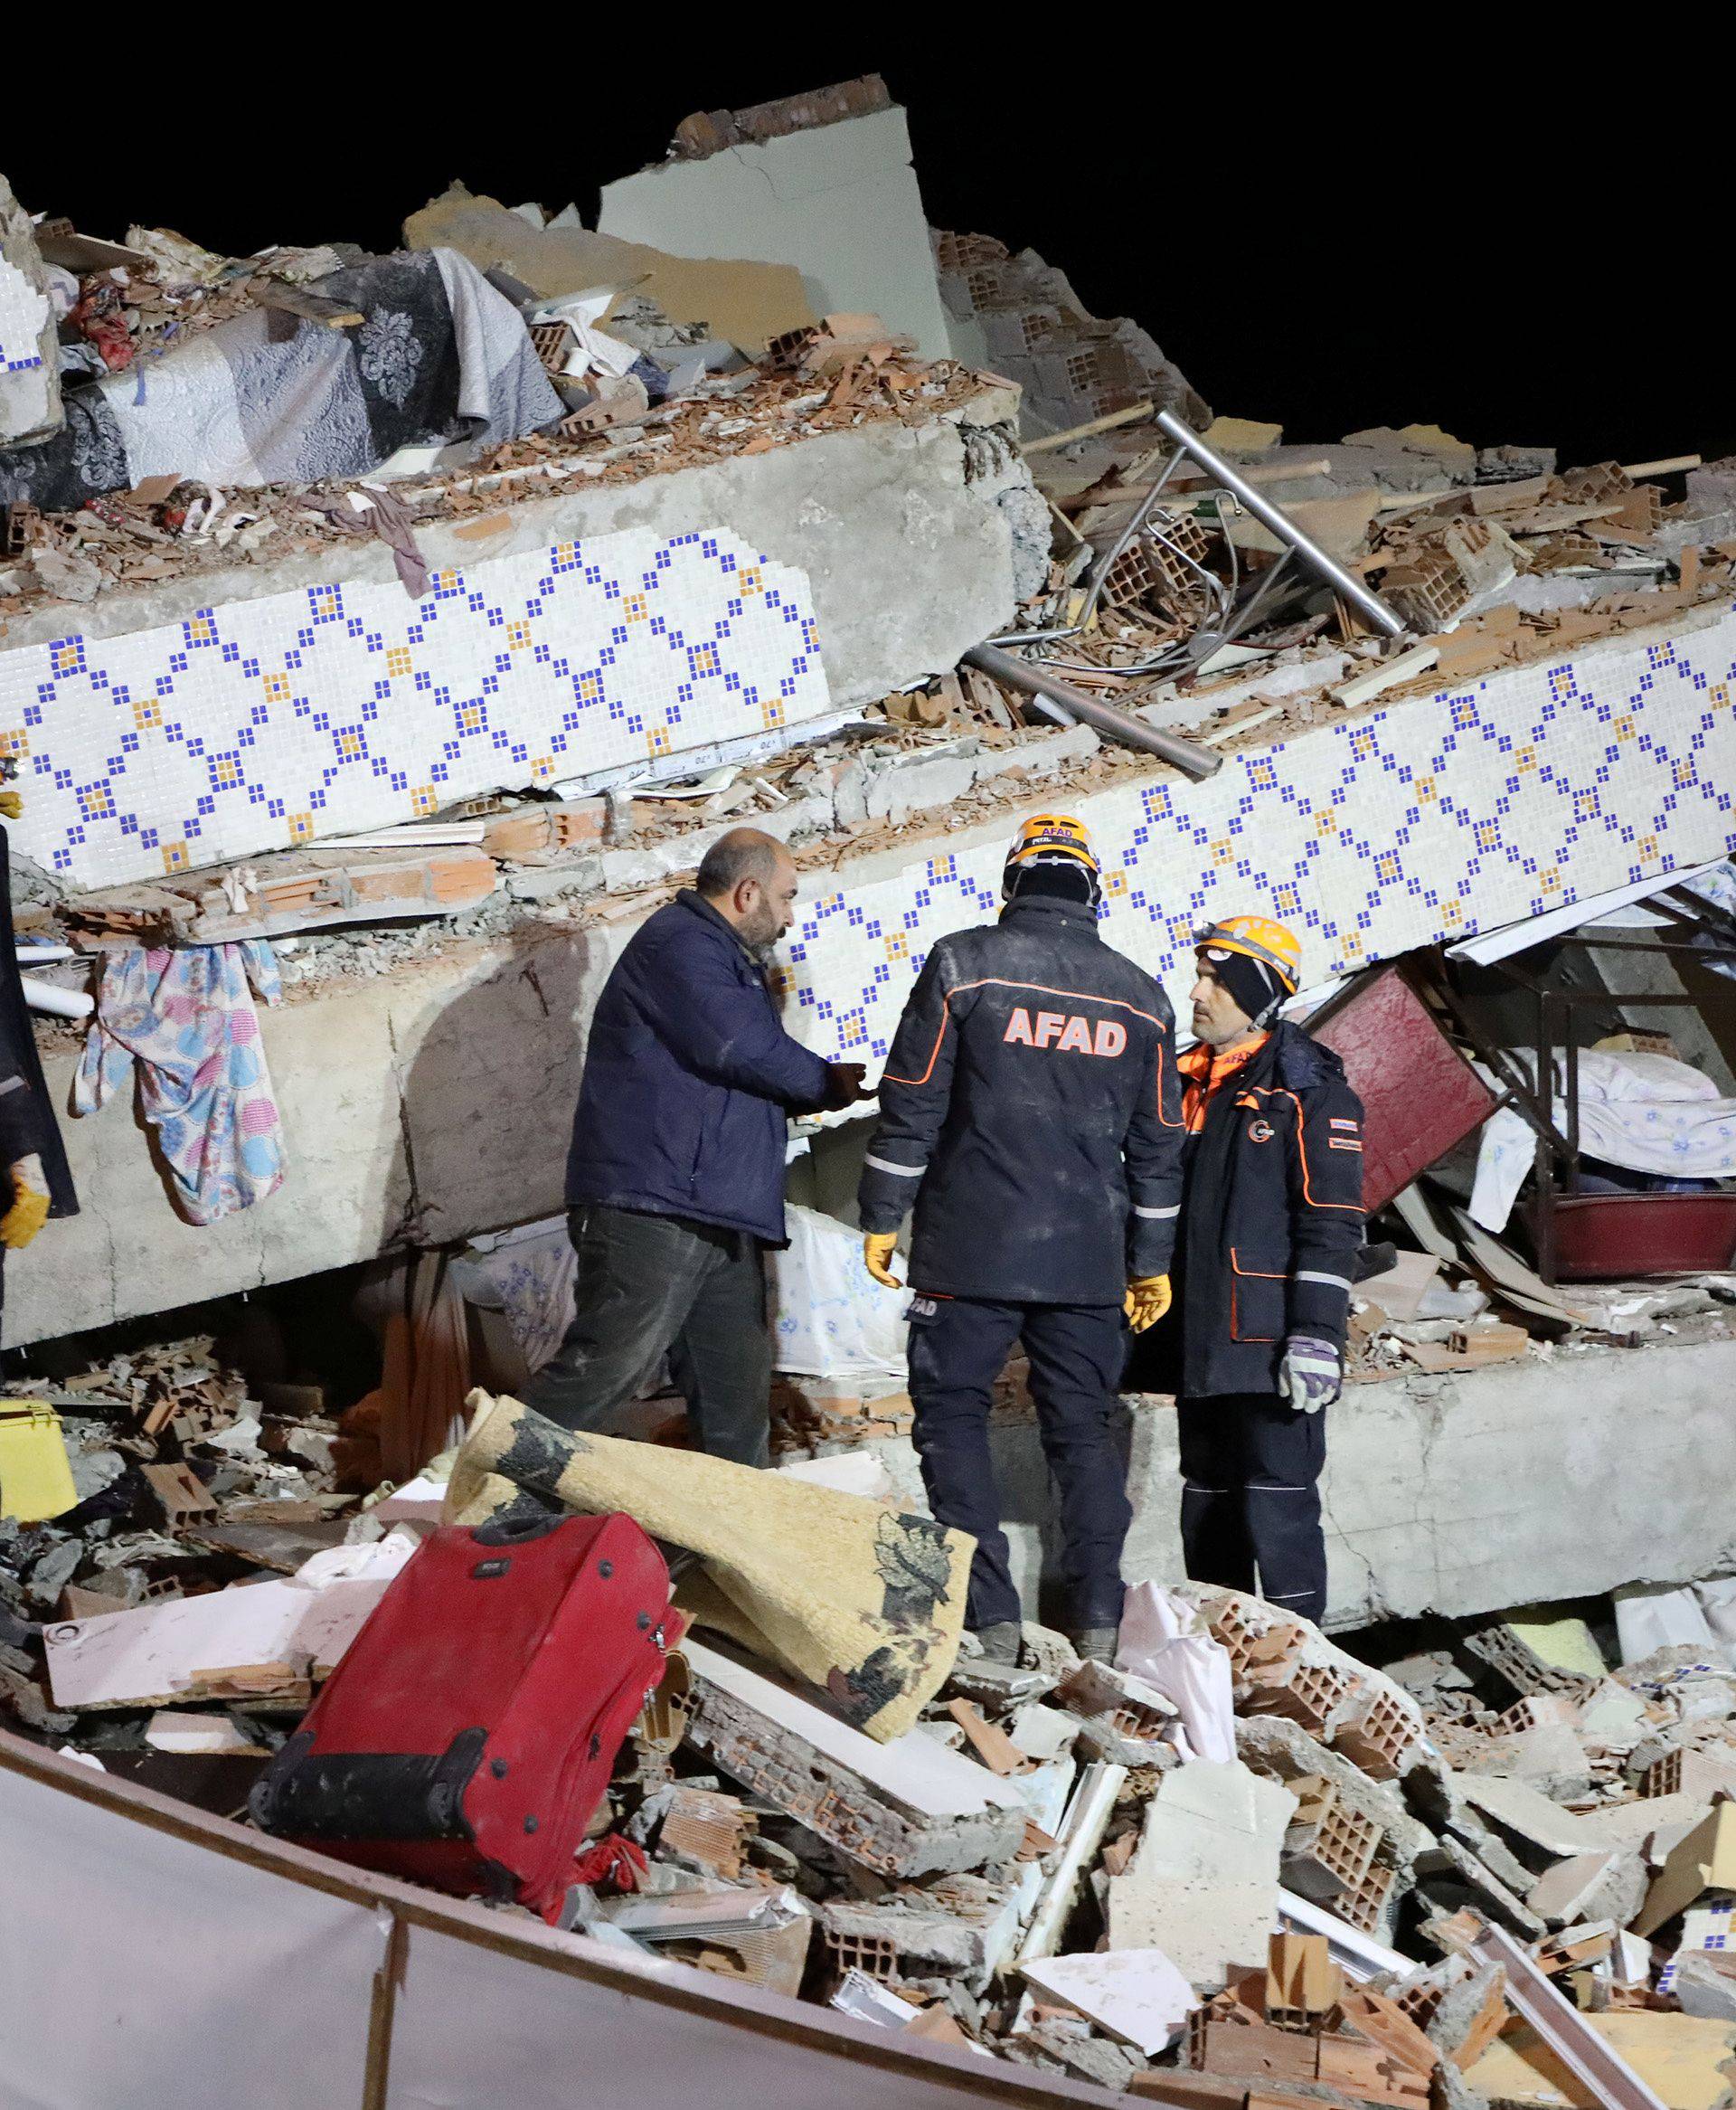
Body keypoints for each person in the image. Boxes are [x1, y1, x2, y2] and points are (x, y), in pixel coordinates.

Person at [857, 815, 1184, 1663]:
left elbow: (914, 1096)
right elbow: (1158, 1144)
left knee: (952, 1418)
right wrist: (1149, 1264)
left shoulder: (964, 963)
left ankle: (990, 1620)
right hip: (1087, 1256)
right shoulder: (1142, 996)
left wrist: (882, 1212)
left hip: (970, 1246)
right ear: (1090, 890)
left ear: (1013, 885)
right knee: (1082, 1431)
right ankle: (1100, 1619)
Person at [522, 828, 867, 1465]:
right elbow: (738, 1047)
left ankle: (720, 1553)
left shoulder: (718, 957)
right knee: (608, 1365)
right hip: (656, 1208)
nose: (791, 916)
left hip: (714, 1213)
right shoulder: (681, 944)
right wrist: (825, 1081)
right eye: (787, 897)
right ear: (747, 891)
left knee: (734, 1396)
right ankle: (485, 1502)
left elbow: (731, 1068)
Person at [1138, 915, 1364, 1626]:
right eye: (1200, 975)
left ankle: (1303, 1663)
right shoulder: (1179, 1082)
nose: (1197, 993)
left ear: (1259, 992)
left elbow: (1331, 1223)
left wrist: (1317, 1334)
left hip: (1269, 1343)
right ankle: (1224, 1657)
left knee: (1280, 1503)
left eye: (1217, 981)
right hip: (1198, 1339)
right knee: (1206, 1499)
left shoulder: (1308, 1091)